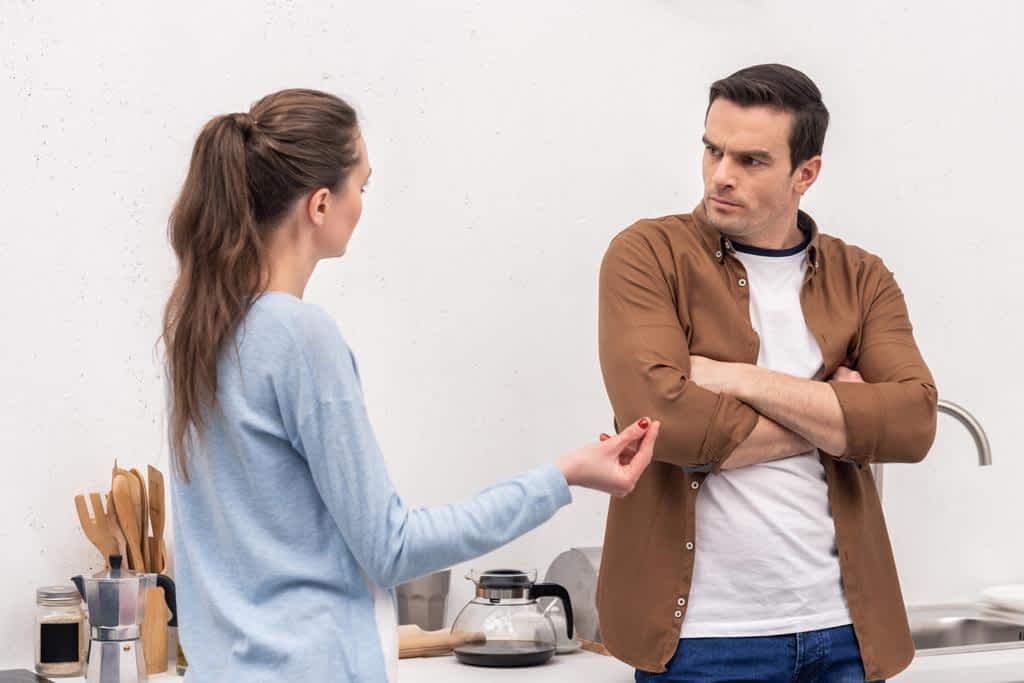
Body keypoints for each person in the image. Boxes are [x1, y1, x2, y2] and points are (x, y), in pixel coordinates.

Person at [161, 88, 661, 682]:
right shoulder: (299, 336)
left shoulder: (199, 331)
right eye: (362, 186)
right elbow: (391, 547)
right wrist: (563, 476)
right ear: (320, 204)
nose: (363, 204)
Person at [596, 64, 937, 682]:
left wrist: (734, 379)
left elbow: (912, 425)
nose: (720, 176)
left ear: (805, 173)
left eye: (751, 160)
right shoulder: (647, 254)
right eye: (712, 149)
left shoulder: (862, 276)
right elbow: (666, 426)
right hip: (701, 641)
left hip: (845, 632)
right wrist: (841, 415)